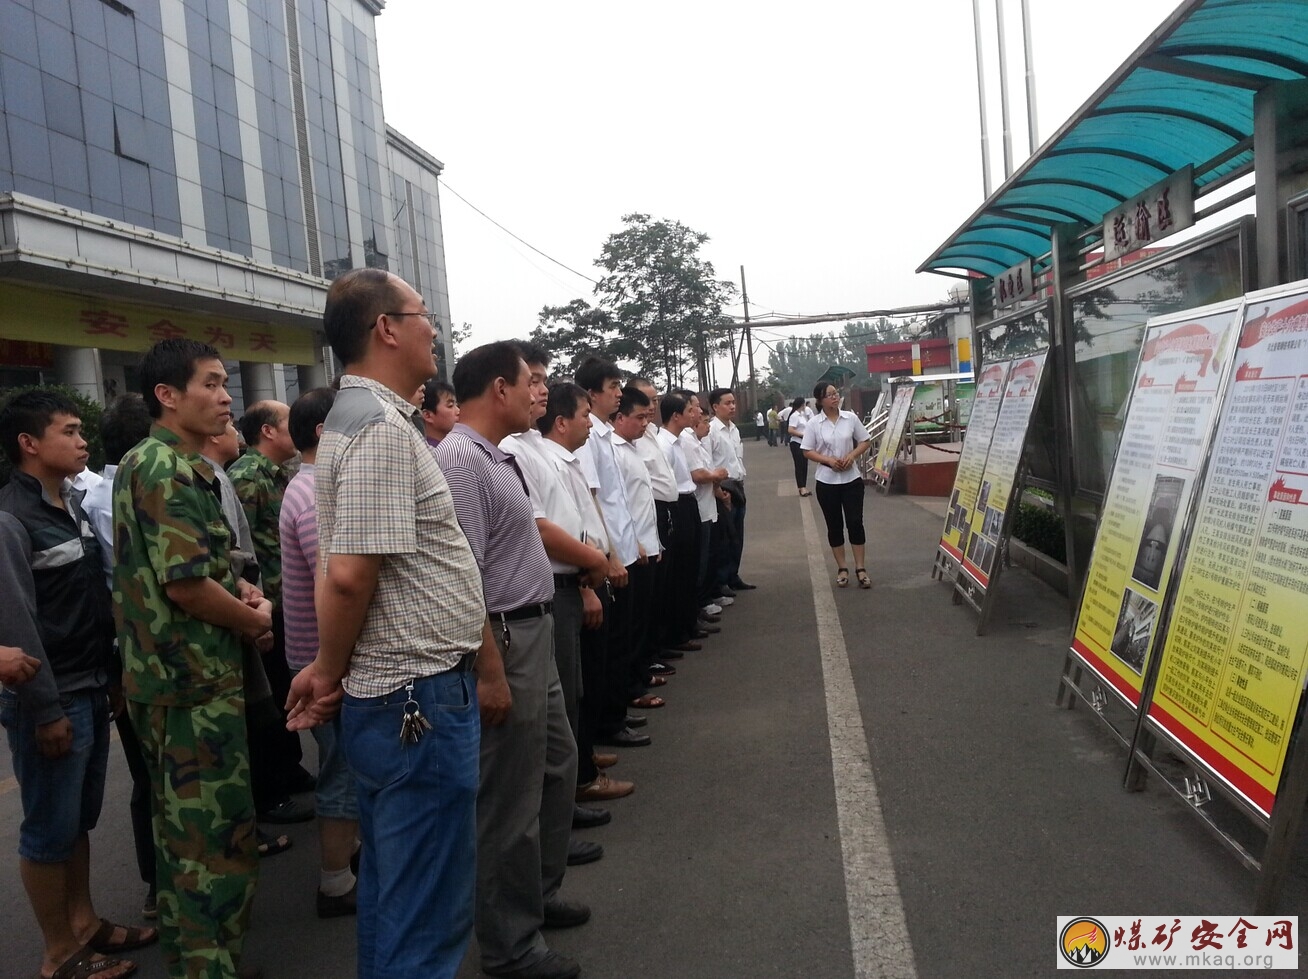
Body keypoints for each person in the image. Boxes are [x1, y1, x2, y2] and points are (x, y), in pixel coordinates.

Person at [286, 269, 486, 979]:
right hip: (416, 698)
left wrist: (325, 667)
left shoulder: (358, 417)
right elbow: (347, 574)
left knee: (395, 895)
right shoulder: (375, 427)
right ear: (387, 329)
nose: (434, 327)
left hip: (404, 695)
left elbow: (336, 565)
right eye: (422, 314)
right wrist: (329, 673)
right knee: (426, 909)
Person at [113, 339, 271, 978]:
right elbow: (183, 586)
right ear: (167, 396)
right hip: (191, 687)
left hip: (175, 684)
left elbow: (188, 569)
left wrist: (237, 586)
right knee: (215, 849)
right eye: (210, 383)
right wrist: (252, 617)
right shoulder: (170, 469)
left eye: (225, 382)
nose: (226, 396)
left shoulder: (153, 463)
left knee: (184, 847)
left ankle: (198, 966)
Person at [436, 341, 585, 979]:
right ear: (499, 388)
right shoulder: (461, 460)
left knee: (557, 762)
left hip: (535, 629)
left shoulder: (497, 456)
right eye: (531, 383)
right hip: (503, 638)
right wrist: (489, 668)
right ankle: (509, 947)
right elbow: (461, 570)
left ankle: (538, 897)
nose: (540, 394)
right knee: (509, 800)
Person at [1, 390, 156, 979]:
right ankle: (58, 953)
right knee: (47, 826)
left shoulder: (70, 503)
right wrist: (44, 711)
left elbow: (94, 596)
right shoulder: (12, 519)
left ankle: (85, 924)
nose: (82, 440)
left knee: (77, 821)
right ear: (29, 444)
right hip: (54, 693)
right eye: (68, 431)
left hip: (91, 684)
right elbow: (18, 624)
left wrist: (111, 678)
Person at [278, 386, 363, 918]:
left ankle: (347, 860)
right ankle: (335, 882)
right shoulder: (314, 495)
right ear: (323, 434)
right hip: (324, 660)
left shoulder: (309, 486)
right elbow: (331, 582)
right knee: (343, 769)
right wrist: (332, 668)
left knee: (346, 764)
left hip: (321, 656)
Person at [82, 392, 162, 916]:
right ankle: (166, 885)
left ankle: (161, 884)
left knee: (148, 774)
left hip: (126, 649)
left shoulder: (94, 494)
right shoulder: (131, 490)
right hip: (142, 650)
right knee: (155, 775)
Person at [229, 400, 314, 825]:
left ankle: (290, 769)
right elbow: (242, 553)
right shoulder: (247, 477)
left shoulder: (280, 474)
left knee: (287, 692)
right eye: (285, 422)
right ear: (267, 431)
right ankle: (272, 787)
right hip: (266, 605)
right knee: (273, 699)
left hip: (285, 603)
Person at [802, 383, 873, 589]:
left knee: (855, 522)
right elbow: (807, 450)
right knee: (834, 525)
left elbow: (865, 440)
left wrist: (851, 456)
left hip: (851, 480)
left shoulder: (850, 418)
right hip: (827, 481)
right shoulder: (814, 423)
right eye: (830, 395)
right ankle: (842, 567)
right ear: (820, 400)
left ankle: (860, 568)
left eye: (836, 394)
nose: (835, 397)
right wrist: (828, 460)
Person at [707, 387, 755, 595]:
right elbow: (707, 464)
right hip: (724, 488)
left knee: (737, 536)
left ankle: (733, 576)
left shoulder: (734, 429)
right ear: (715, 407)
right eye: (727, 403)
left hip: (738, 486)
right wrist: (718, 490)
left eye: (733, 402)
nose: (732, 406)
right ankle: (721, 581)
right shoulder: (710, 432)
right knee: (724, 538)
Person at [420, 377, 459, 447]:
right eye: (450, 406)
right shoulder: (430, 451)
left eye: (456, 405)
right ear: (427, 415)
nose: (458, 411)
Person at [786, 396, 812, 496]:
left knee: (804, 465)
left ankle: (804, 486)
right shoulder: (794, 416)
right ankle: (801, 487)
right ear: (802, 404)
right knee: (799, 465)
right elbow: (790, 430)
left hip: (803, 443)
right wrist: (803, 435)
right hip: (796, 443)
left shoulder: (802, 415)